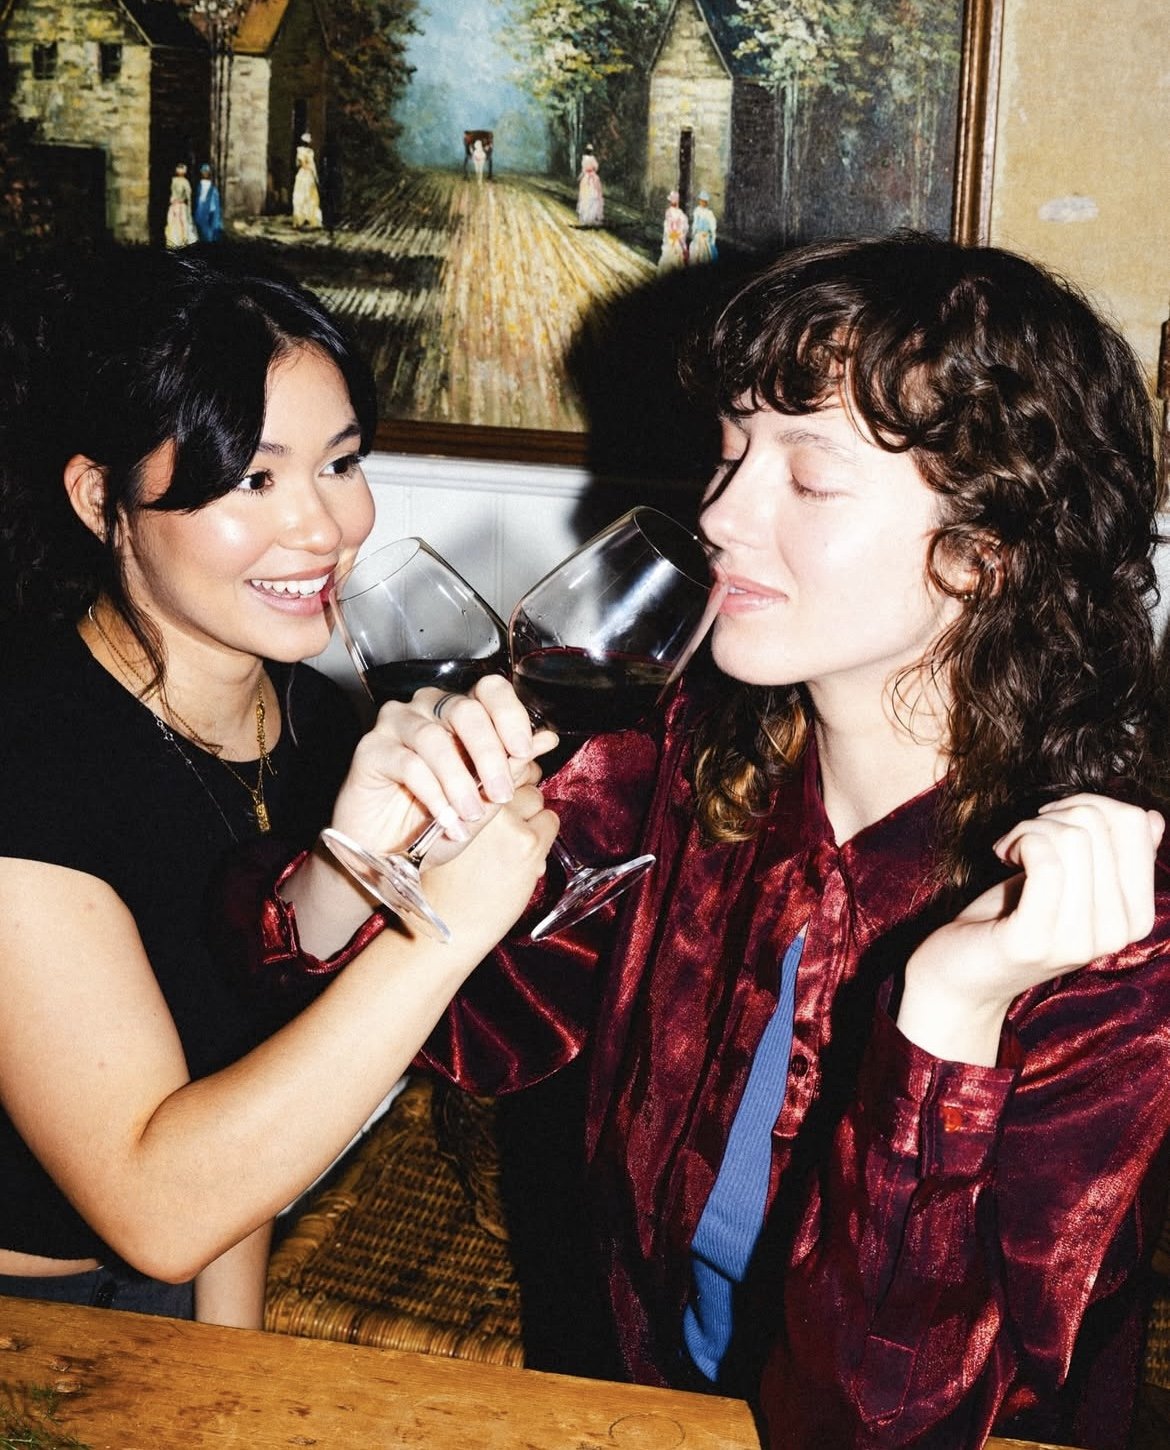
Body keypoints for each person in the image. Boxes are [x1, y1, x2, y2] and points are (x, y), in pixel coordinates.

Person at [267, 233, 1170, 1449]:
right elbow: (476, 1028)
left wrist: (950, 1016)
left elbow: (892, 1417)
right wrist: (349, 872)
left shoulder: (1110, 928)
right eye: (735, 451)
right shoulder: (681, 762)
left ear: (982, 549)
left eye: (810, 476)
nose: (721, 513)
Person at [0, 246, 557, 1330]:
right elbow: (155, 1208)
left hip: (201, 1266)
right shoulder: (28, 764)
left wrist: (239, 1364)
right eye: (254, 478)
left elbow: (257, 1076)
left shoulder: (314, 722)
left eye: (341, 462)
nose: (326, 527)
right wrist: (440, 928)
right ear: (99, 496)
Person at [292, 134, 322, 229]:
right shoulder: (300, 150)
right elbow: (303, 163)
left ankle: (310, 218)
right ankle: (299, 219)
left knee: (311, 196)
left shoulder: (310, 151)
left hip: (309, 175)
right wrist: (310, 168)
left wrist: (312, 171)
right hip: (304, 175)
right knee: (301, 195)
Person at [164, 162, 196, 248]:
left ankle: (178, 243)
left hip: (178, 206)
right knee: (176, 224)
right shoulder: (183, 182)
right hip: (178, 206)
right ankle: (177, 243)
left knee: (179, 224)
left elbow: (188, 196)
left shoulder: (179, 181)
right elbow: (188, 197)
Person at [657, 189, 688, 271]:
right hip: (675, 236)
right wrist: (676, 234)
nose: (672, 203)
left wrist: (673, 234)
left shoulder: (671, 212)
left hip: (673, 236)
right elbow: (680, 226)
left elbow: (668, 226)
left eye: (672, 201)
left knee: (672, 253)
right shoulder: (678, 213)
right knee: (674, 253)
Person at [193, 162, 223, 243]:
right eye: (203, 171)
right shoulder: (199, 186)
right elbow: (197, 198)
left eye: (207, 172)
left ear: (209, 173)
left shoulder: (213, 189)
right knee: (200, 230)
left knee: (209, 232)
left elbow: (216, 204)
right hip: (200, 210)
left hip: (209, 211)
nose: (205, 173)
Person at [577, 145, 604, 227]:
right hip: (592, 179)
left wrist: (580, 177)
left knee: (588, 197)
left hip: (586, 179)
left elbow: (583, 170)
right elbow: (596, 167)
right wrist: (591, 172)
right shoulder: (592, 159)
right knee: (592, 197)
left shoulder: (584, 159)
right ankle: (591, 218)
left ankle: (587, 218)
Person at [689, 191, 717, 263]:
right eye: (701, 201)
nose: (702, 203)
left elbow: (712, 227)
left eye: (704, 201)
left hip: (705, 235)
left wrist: (711, 236)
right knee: (694, 249)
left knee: (704, 251)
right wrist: (694, 232)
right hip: (698, 234)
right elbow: (695, 223)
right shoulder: (697, 211)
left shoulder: (709, 213)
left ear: (706, 202)